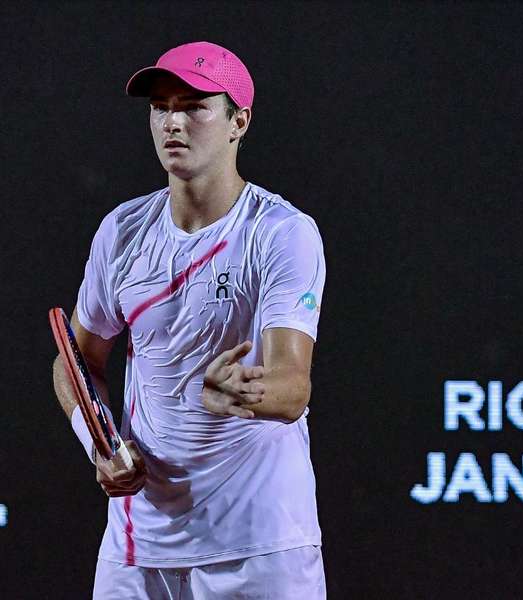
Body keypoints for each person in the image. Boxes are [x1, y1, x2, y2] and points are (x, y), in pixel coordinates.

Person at [50, 41, 327, 599]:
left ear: (238, 122)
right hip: (137, 550)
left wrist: (242, 392)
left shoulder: (281, 233)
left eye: (195, 105)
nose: (173, 121)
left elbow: (292, 387)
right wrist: (100, 444)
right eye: (161, 107)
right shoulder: (121, 233)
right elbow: (76, 363)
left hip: (259, 547)